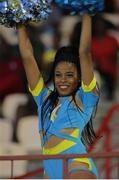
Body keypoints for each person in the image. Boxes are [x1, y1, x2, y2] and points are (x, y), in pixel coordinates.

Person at [17, 14, 99, 179]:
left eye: (69, 75)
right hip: (50, 166)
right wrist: (18, 21)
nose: (63, 80)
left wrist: (86, 14)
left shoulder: (85, 98)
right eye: (58, 74)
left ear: (79, 78)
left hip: (76, 161)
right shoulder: (43, 98)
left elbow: (84, 53)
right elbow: (27, 57)